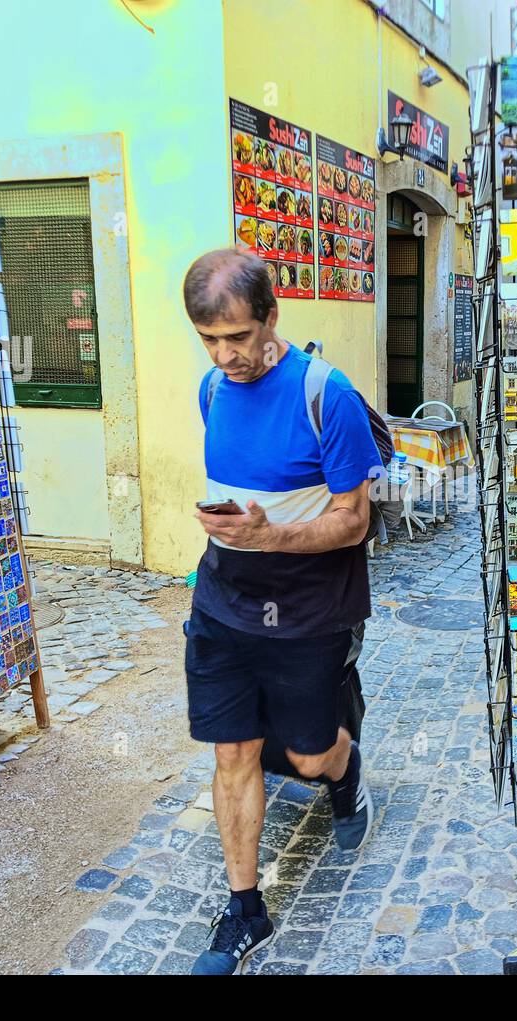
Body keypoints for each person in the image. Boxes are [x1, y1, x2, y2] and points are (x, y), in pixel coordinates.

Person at [181, 248, 379, 975]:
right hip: (223, 603)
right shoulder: (210, 390)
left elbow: (353, 520)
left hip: (308, 611)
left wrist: (272, 536)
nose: (226, 354)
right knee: (232, 751)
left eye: (237, 335)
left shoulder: (328, 395)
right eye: (210, 338)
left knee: (302, 754)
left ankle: (344, 760)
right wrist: (236, 530)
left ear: (272, 314)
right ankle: (245, 908)